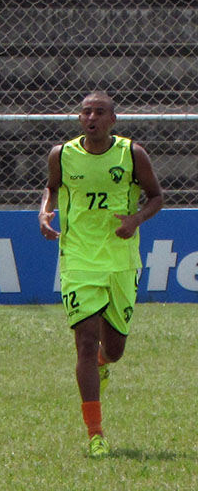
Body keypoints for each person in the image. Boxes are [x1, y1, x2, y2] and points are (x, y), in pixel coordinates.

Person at [38, 90, 162, 458]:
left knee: (115, 349)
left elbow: (156, 196)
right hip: (78, 259)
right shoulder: (62, 154)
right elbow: (52, 187)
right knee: (85, 342)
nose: (91, 117)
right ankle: (95, 434)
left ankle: (105, 366)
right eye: (86, 112)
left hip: (121, 261)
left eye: (100, 112)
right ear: (80, 119)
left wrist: (136, 219)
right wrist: (44, 213)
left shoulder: (132, 154)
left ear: (113, 120)